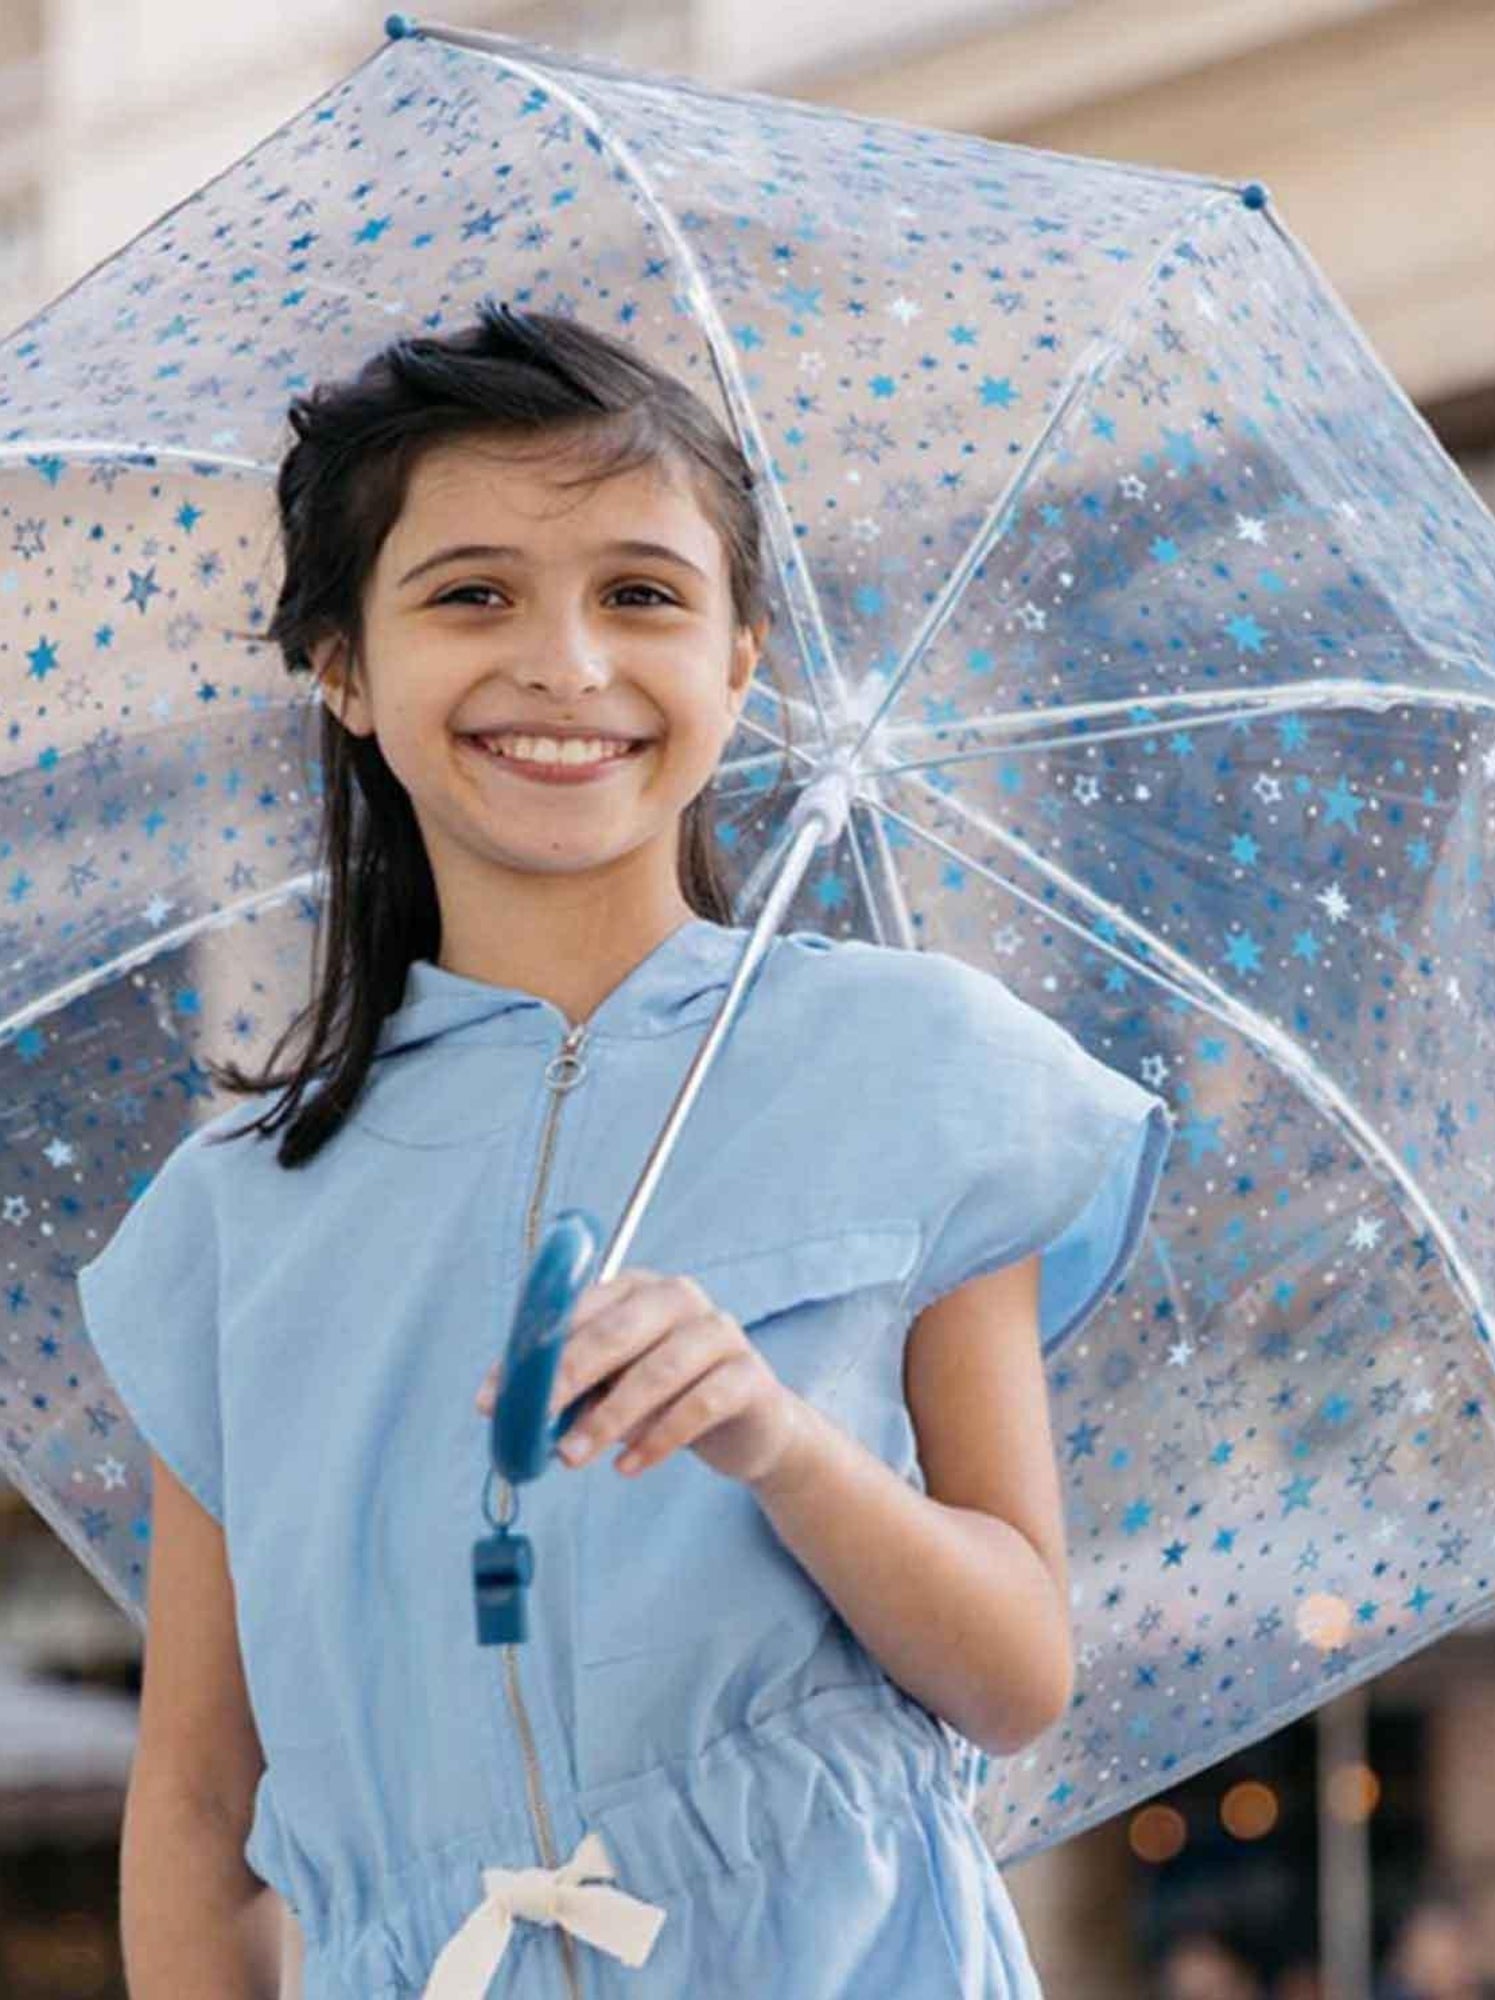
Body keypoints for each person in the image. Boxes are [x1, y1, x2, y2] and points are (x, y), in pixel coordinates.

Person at [76, 302, 1174, 1996]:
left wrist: (776, 1441)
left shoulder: (916, 1066)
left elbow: (1017, 1673)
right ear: (345, 669)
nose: (569, 665)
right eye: (472, 594)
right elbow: (201, 1804)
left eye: (643, 595)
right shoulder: (236, 1216)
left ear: (737, 662)